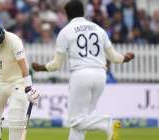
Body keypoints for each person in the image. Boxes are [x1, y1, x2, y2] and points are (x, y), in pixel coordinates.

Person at [32, 1, 134, 140]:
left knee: (75, 120)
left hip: (81, 76)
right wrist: (124, 58)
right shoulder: (98, 29)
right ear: (83, 12)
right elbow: (114, 57)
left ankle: (106, 123)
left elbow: (56, 65)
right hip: (100, 75)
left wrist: (41, 68)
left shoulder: (66, 32)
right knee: (84, 119)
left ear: (67, 15)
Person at [0, 24, 39, 140]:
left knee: (16, 116)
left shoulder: (14, 41)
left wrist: (28, 87)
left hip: (18, 82)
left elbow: (23, 64)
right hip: (0, 82)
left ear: (1, 39)